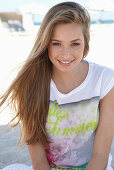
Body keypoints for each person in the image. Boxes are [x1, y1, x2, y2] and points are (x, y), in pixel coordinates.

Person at [0, 1, 114, 170]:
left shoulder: (105, 80)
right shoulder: (30, 84)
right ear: (46, 44)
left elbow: (100, 154)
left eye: (75, 44)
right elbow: (39, 161)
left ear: (86, 44)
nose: (66, 54)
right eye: (56, 43)